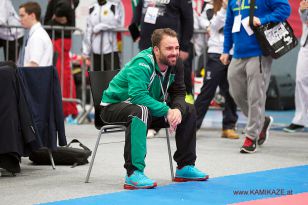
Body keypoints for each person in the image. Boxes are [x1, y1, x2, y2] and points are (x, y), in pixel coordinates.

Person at [100, 28, 208, 189]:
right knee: (141, 110)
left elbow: (179, 92)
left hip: (146, 109)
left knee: (188, 109)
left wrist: (177, 109)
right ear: (156, 50)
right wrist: (167, 111)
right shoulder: (142, 63)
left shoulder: (175, 63)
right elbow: (137, 96)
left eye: (176, 48)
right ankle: (133, 173)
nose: (174, 53)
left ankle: (185, 167)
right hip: (113, 107)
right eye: (169, 48)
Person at [220, 0, 291, 153]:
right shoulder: (233, 1)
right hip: (238, 53)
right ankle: (261, 121)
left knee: (255, 96)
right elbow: (229, 24)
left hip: (258, 53)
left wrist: (263, 20)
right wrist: (226, 50)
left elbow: (285, 9)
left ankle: (251, 136)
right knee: (235, 92)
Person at [131, 0, 195, 104]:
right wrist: (134, 33)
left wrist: (184, 47)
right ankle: (150, 105)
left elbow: (188, 20)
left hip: (170, 48)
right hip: (147, 45)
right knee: (148, 79)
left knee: (174, 81)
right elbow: (137, 12)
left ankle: (182, 103)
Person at [194, 0, 239, 139]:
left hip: (234, 53)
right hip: (216, 53)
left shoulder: (237, 6)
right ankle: (192, 125)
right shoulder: (209, 8)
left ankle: (229, 126)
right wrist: (224, 10)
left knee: (231, 91)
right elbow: (213, 27)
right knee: (207, 90)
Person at [44, 0, 79, 123]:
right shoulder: (68, 3)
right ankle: (67, 110)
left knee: (62, 76)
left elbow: (61, 12)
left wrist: (55, 18)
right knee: (63, 76)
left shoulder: (63, 3)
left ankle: (67, 110)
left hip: (60, 40)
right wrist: (55, 19)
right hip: (60, 39)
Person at [283, 0, 308, 133]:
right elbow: (305, 19)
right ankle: (300, 120)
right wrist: (303, 10)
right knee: (300, 80)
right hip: (306, 45)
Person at [82, 0, 123, 71]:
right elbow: (88, 31)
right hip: (95, 52)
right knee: (97, 80)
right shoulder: (92, 8)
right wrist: (86, 51)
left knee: (113, 79)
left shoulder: (113, 6)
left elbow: (118, 24)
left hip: (111, 50)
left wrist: (102, 26)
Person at [19, 2, 53, 67]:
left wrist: (18, 73)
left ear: (32, 16)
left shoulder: (37, 37)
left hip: (36, 76)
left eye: (22, 16)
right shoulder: (37, 34)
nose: (20, 19)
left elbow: (33, 64)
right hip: (36, 75)